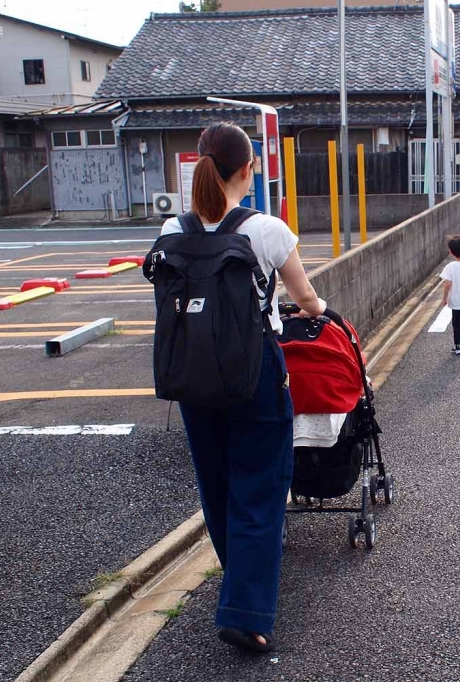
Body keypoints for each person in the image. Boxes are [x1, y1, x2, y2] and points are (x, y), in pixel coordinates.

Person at [159, 122, 326, 654]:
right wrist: (320, 311)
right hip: (251, 373)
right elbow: (306, 297)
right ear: (247, 170)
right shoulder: (267, 230)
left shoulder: (171, 228)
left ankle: (240, 587)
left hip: (191, 376)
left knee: (219, 487)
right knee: (259, 486)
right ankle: (246, 612)